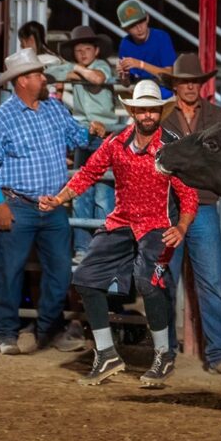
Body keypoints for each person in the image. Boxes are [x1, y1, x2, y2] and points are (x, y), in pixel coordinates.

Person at [40, 80, 198, 386]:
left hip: (158, 224)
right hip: (123, 221)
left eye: (153, 110)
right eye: (144, 110)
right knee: (85, 277)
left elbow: (189, 194)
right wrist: (59, 199)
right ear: (134, 112)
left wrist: (181, 227)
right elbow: (89, 172)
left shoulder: (171, 148)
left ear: (159, 113)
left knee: (147, 281)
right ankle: (107, 353)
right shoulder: (116, 143)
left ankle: (164, 354)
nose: (148, 115)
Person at [0, 48, 90, 355]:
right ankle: (5, 332)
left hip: (52, 206)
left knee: (61, 271)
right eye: (39, 74)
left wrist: (90, 131)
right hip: (18, 205)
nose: (44, 79)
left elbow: (78, 139)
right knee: (10, 271)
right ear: (23, 81)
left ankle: (47, 329)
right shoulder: (4, 118)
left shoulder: (53, 108)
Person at [159, 53, 221, 377]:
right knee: (163, 280)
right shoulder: (160, 116)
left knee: (212, 282)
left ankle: (218, 354)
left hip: (202, 203)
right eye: (184, 81)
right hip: (168, 206)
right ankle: (164, 351)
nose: (190, 86)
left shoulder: (219, 116)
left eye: (194, 81)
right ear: (175, 85)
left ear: (201, 84)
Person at [56, 25, 116, 264]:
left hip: (103, 135)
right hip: (84, 133)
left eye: (87, 49)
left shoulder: (101, 66)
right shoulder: (80, 68)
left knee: (103, 194)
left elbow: (98, 79)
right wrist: (73, 71)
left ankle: (100, 248)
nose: (82, 54)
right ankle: (82, 249)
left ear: (96, 50)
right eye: (78, 50)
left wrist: (75, 69)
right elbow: (56, 73)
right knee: (82, 192)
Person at [115, 0, 177, 98]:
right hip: (141, 95)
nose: (139, 28)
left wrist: (140, 64)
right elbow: (126, 84)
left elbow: (169, 74)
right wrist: (124, 76)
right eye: (132, 26)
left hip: (164, 93)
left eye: (141, 21)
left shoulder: (161, 37)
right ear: (125, 29)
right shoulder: (125, 44)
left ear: (147, 18)